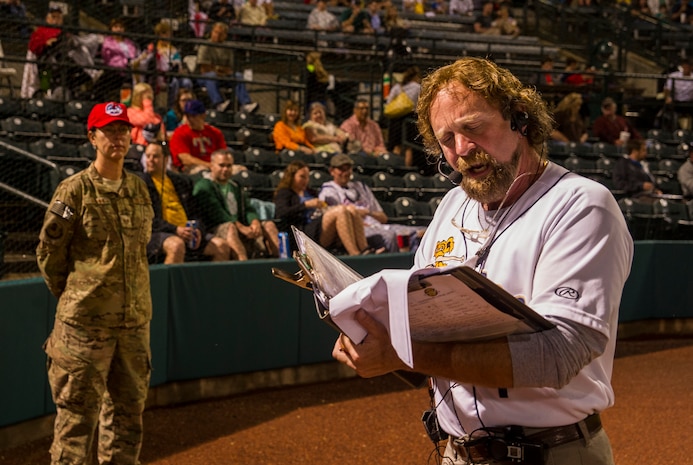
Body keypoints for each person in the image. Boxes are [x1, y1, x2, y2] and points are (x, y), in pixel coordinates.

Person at [332, 57, 634, 465]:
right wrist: (373, 341)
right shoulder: (452, 206)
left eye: (473, 128)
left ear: (519, 119)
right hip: (458, 453)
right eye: (447, 138)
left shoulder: (580, 204)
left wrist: (402, 353)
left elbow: (557, 355)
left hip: (551, 452)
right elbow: (421, 340)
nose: (461, 150)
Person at [36, 102, 154, 465]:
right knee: (75, 426)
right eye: (108, 131)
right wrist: (79, 296)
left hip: (133, 328)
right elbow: (48, 255)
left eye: (123, 130)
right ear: (92, 137)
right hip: (84, 330)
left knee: (127, 423)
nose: (117, 137)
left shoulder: (138, 189)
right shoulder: (73, 192)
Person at [139, 142, 230, 263]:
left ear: (166, 159)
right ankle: (168, 282)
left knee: (221, 246)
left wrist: (197, 229)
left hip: (186, 232)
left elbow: (196, 212)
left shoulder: (180, 181)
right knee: (176, 245)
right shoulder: (140, 183)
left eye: (155, 156)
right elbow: (146, 219)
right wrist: (175, 229)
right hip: (155, 233)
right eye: (148, 156)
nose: (150, 160)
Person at [274, 160, 376, 255]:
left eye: (307, 177)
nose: (306, 180)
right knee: (341, 210)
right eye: (302, 177)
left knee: (350, 209)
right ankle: (355, 253)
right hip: (304, 230)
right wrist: (306, 205)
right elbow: (281, 212)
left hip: (318, 225)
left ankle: (364, 249)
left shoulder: (311, 192)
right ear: (291, 176)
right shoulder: (285, 192)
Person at [194, 149, 280, 260]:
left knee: (269, 225)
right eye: (221, 165)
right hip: (215, 228)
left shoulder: (235, 185)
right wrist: (240, 227)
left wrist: (254, 222)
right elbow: (217, 214)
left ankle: (282, 265)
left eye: (229, 166)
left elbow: (248, 208)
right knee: (230, 227)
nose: (225, 169)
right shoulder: (204, 186)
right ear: (212, 166)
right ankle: (243, 266)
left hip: (240, 226)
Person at [319, 153, 401, 252]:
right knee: (390, 236)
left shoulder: (361, 187)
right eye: (341, 169)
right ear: (331, 171)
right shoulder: (329, 190)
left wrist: (368, 212)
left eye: (348, 168)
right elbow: (337, 222)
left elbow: (383, 218)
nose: (345, 173)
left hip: (379, 226)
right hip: (359, 230)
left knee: (417, 232)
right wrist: (357, 215)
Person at [195, 22, 258, 114]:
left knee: (238, 76)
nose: (217, 35)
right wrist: (219, 70)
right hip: (204, 78)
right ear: (211, 32)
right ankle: (218, 104)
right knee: (211, 76)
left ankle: (246, 104)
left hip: (222, 76)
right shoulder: (205, 46)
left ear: (225, 35)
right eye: (215, 32)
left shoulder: (227, 47)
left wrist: (219, 70)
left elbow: (229, 68)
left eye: (220, 34)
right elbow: (204, 68)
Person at [132, 20, 193, 109]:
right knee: (174, 83)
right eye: (164, 33)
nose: (167, 36)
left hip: (174, 74)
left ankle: (187, 107)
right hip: (161, 76)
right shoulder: (153, 47)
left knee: (187, 82)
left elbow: (178, 63)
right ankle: (171, 107)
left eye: (168, 33)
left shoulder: (173, 49)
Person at [169, 99, 227, 173]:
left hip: (215, 167)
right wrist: (210, 166)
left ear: (203, 116)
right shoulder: (180, 133)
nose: (190, 119)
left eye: (193, 116)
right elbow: (186, 159)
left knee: (240, 170)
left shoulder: (215, 132)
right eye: (188, 116)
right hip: (190, 169)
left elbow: (223, 154)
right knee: (202, 171)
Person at [91, 18, 140, 102]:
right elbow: (107, 58)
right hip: (114, 69)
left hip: (128, 69)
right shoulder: (108, 41)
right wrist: (124, 61)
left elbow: (133, 55)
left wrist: (126, 60)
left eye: (121, 27)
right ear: (111, 28)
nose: (118, 29)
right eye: (116, 27)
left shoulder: (129, 42)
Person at [384, 65, 421, 167]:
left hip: (395, 119)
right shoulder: (418, 88)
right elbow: (420, 105)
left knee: (396, 145)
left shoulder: (397, 87)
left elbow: (388, 102)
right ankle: (406, 168)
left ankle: (393, 166)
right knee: (409, 147)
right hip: (410, 119)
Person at [663, 58, 693, 128]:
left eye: (688, 66)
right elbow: (667, 89)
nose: (686, 68)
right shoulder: (674, 76)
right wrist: (667, 98)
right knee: (668, 109)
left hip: (690, 102)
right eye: (684, 66)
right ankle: (673, 129)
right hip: (676, 102)